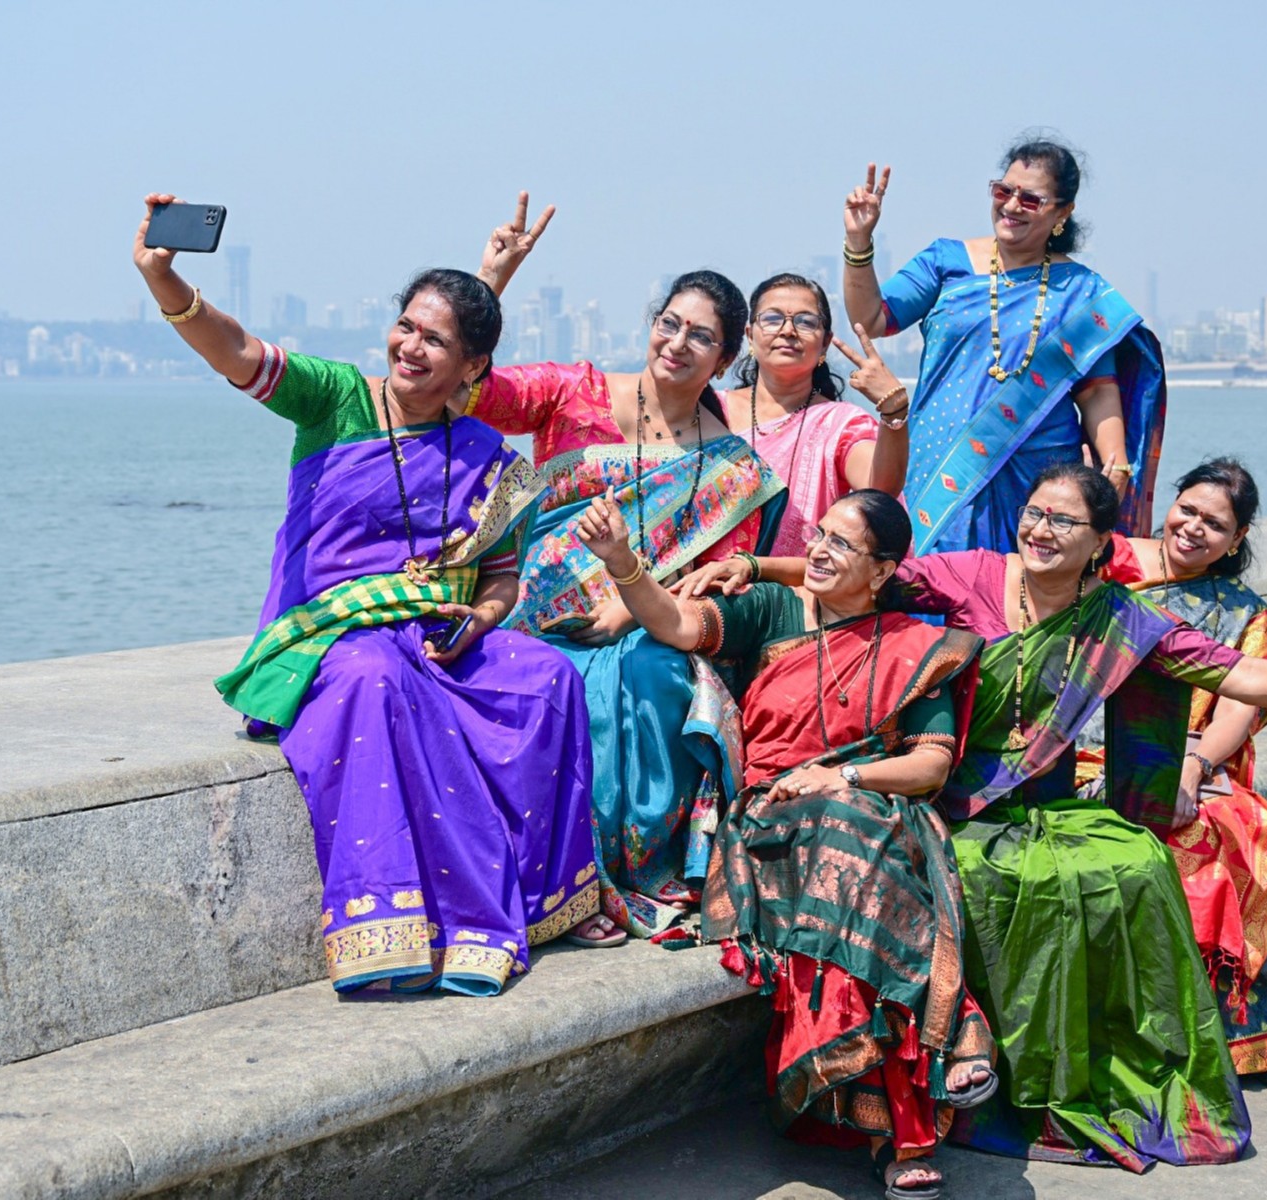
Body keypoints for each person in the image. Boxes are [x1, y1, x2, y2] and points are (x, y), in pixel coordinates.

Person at [691, 464, 1267, 1170]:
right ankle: (981, 1076)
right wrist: (758, 567)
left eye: (1063, 521)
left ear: (1101, 543)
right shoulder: (972, 578)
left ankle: (1083, 1082)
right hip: (948, 802)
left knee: (1135, 863)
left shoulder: (1121, 618)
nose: (1041, 530)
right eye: (1034, 514)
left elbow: (1240, 673)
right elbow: (863, 566)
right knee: (999, 875)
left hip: (1045, 807)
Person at [131, 193, 598, 995]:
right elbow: (238, 353)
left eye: (436, 339)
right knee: (377, 677)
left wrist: (480, 618)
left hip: (438, 635)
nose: (410, 347)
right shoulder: (336, 399)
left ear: (472, 368)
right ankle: (400, 925)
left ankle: (543, 896)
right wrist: (165, 281)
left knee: (548, 678)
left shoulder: (487, 452)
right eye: (406, 327)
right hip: (329, 637)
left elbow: (502, 575)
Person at [576, 487, 994, 1200]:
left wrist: (845, 776)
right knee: (853, 844)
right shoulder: (773, 611)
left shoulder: (913, 645)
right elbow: (677, 624)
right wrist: (622, 562)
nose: (822, 551)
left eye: (843, 544)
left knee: (860, 835)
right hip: (771, 819)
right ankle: (951, 1042)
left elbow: (929, 764)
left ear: (883, 569)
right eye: (821, 534)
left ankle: (891, 1126)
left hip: (863, 806)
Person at [462, 258, 786, 942]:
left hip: (644, 625)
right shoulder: (571, 393)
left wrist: (630, 603)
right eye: (669, 323)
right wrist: (490, 282)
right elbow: (471, 392)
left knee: (652, 671)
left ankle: (617, 876)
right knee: (518, 675)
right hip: (528, 612)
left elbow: (717, 578)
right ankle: (545, 882)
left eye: (700, 336)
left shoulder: (733, 470)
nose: (676, 342)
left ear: (726, 359)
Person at [1089, 457, 1267, 1088]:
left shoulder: (1245, 615)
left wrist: (1190, 766)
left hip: (1181, 758)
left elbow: (1237, 712)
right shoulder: (1107, 562)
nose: (1193, 528)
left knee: (1224, 835)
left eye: (1214, 524)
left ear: (1236, 540)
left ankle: (1259, 1035)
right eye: (1186, 509)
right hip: (1074, 746)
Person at [840, 139, 1166, 556]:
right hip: (941, 467)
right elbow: (871, 319)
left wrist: (1116, 464)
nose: (1011, 207)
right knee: (934, 590)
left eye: (1030, 199)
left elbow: (1098, 389)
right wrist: (858, 241)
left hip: (1037, 476)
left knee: (1027, 595)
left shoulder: (1082, 291)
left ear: (1062, 212)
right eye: (1003, 192)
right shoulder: (946, 261)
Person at [722, 272, 910, 556]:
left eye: (805, 322)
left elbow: (879, 491)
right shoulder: (711, 410)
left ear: (825, 343)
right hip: (703, 582)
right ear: (750, 335)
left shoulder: (840, 423)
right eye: (772, 319)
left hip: (800, 590)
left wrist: (893, 412)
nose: (787, 330)